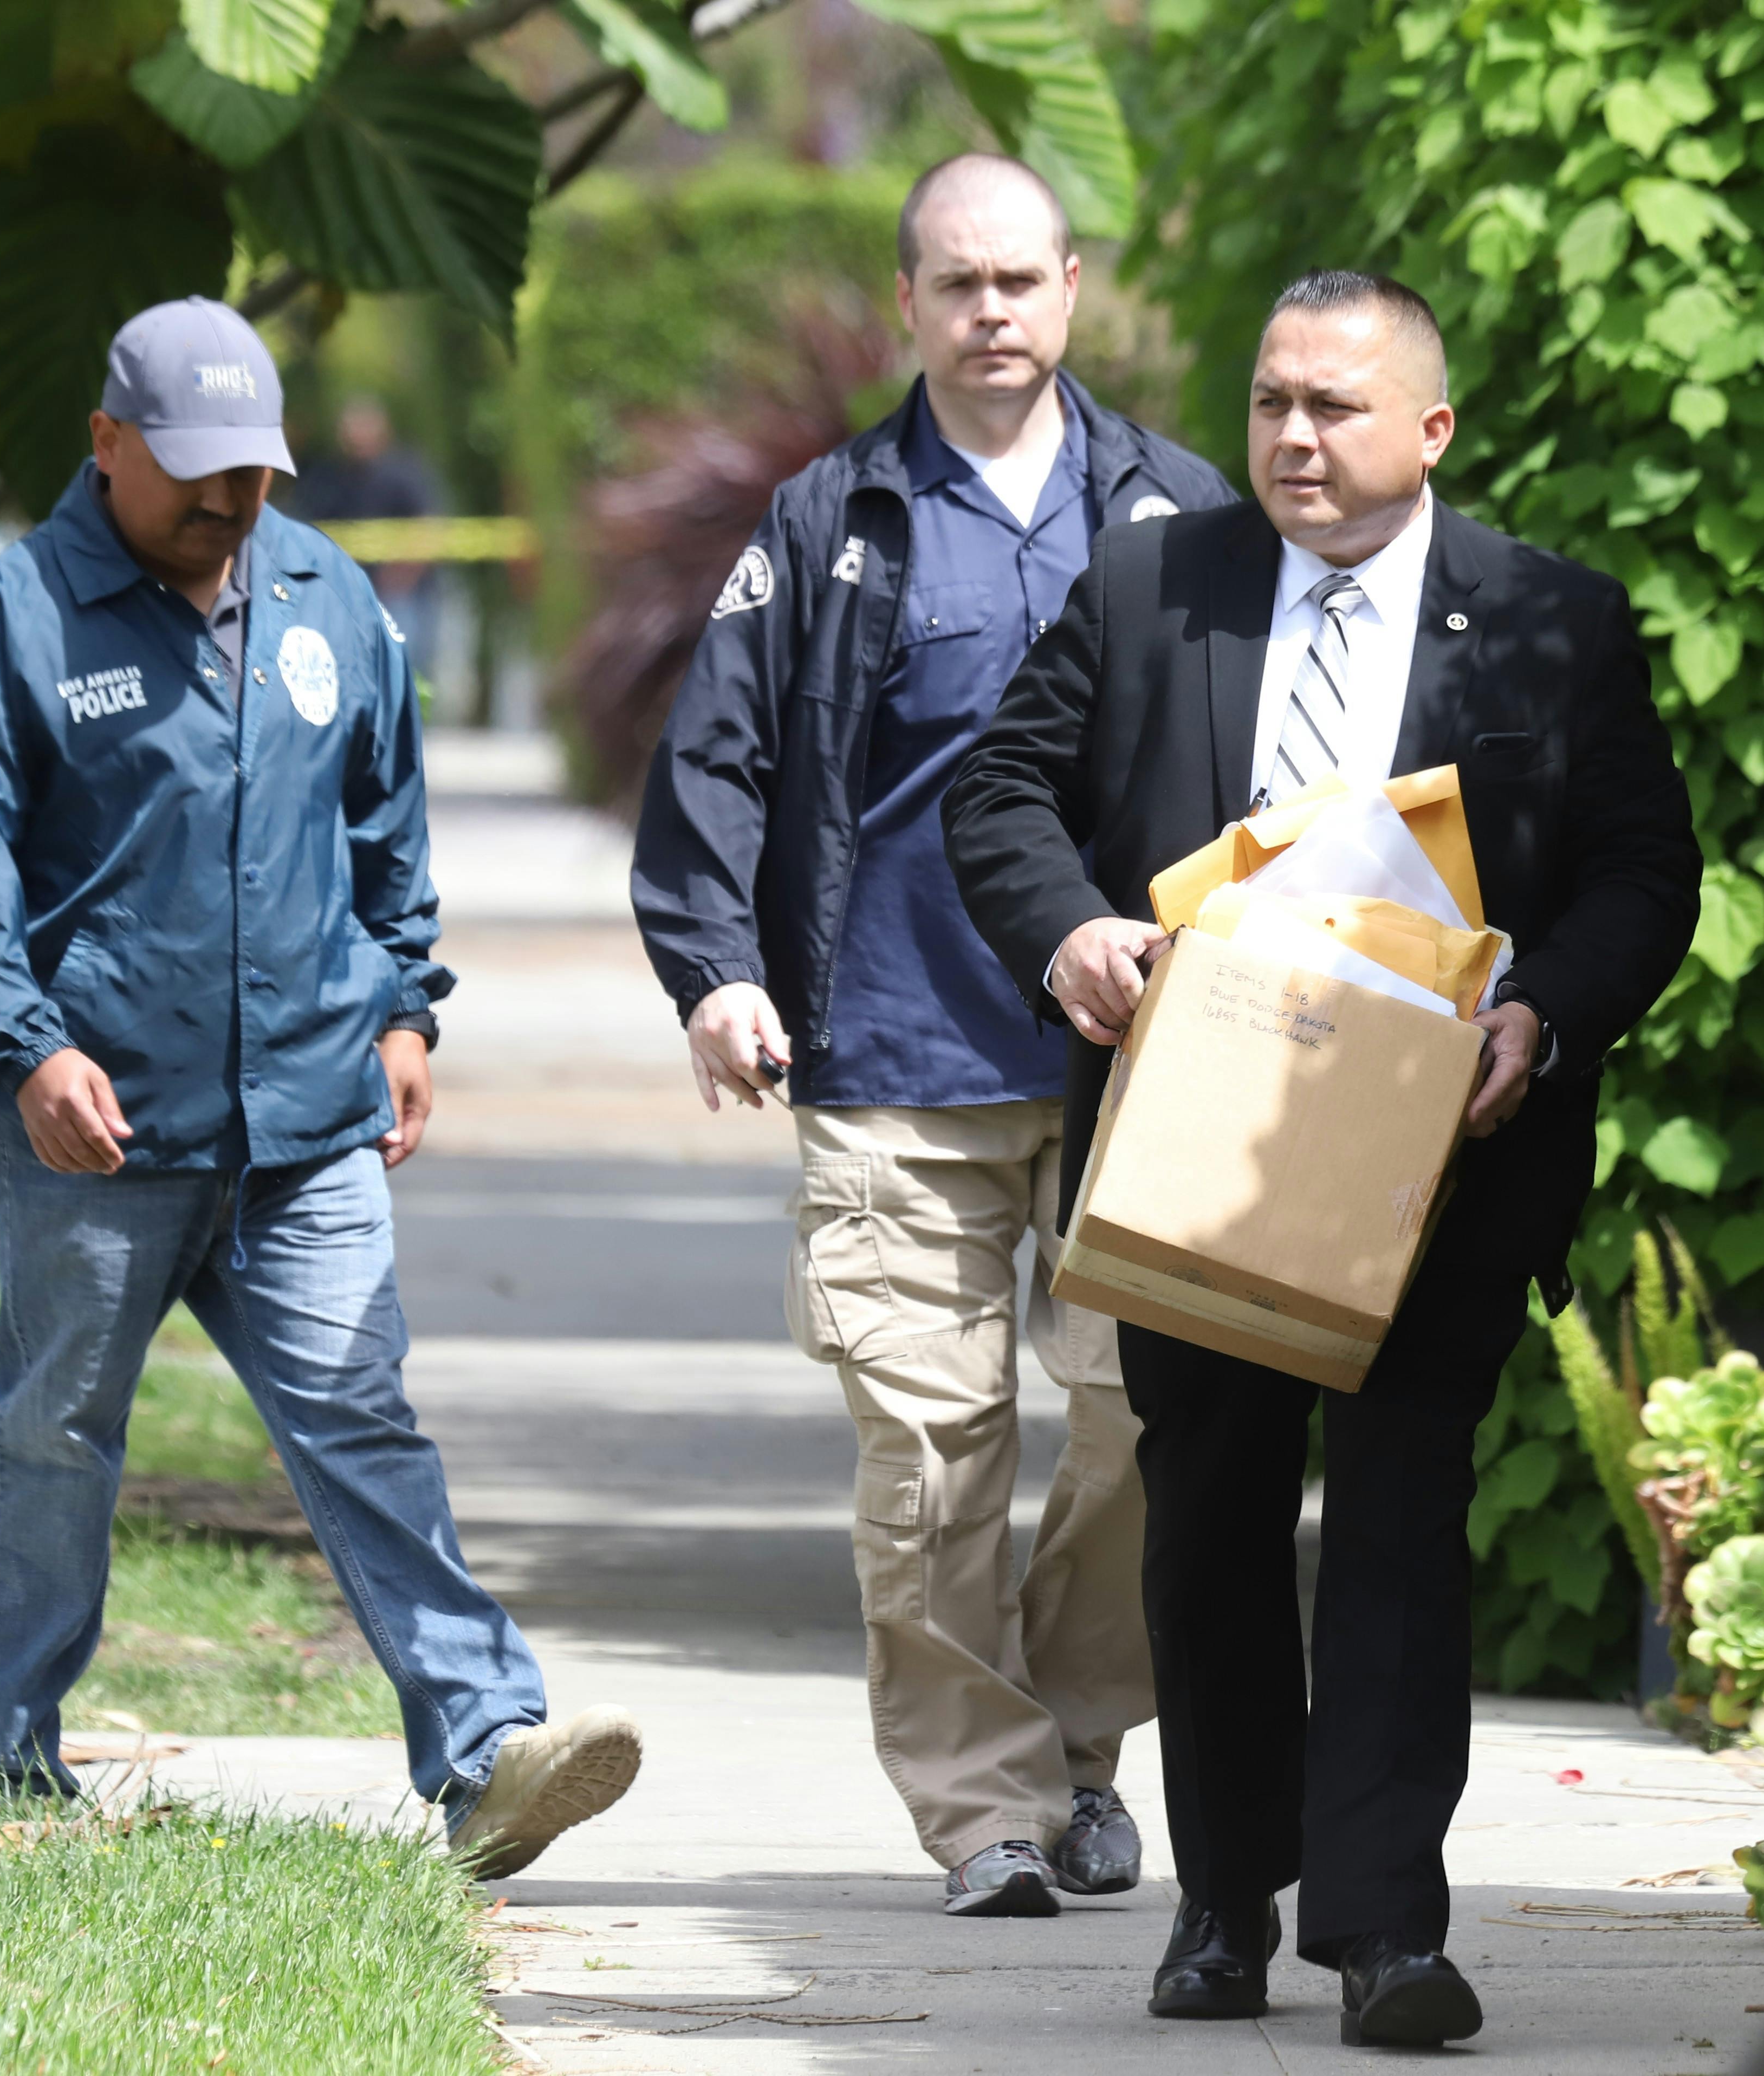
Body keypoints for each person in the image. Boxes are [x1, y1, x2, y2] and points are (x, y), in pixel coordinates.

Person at [943, 271, 1702, 2041]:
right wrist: (1068, 933)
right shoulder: (1151, 587)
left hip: (1445, 1156)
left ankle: (1383, 1934)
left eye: (1333, 407)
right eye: (1271, 401)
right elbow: (1001, 794)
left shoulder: (1551, 619)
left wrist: (1543, 1012)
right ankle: (1223, 1903)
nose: (1291, 436)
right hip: (1193, 1146)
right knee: (1207, 1518)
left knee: (1399, 1523)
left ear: (1428, 430)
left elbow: (1640, 870)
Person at [0, 297, 641, 1874]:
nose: (230, 500)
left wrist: (406, 1008)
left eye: (254, 469)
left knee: (360, 1412)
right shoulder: (16, 616)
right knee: (55, 1432)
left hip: (305, 1118)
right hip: (100, 1132)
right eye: (196, 470)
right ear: (107, 443)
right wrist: (25, 1048)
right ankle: (1, 1763)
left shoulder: (326, 593)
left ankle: (486, 1749)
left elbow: (385, 825)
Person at [632, 154, 1235, 1917]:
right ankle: (985, 1813)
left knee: (1148, 1428)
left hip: (1137, 1068)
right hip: (893, 1060)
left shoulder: (1178, 512)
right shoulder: (830, 522)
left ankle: (1079, 1745)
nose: (990, 313)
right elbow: (715, 759)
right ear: (908, 301)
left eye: (1019, 280)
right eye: (957, 283)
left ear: (1071, 292)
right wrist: (716, 972)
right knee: (928, 1456)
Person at [288, 395, 446, 683]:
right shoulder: (330, 477)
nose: (357, 438)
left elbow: (426, 530)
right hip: (347, 594)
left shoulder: (404, 474)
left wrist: (398, 577)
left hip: (401, 594)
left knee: (404, 672)